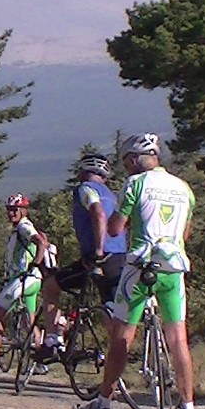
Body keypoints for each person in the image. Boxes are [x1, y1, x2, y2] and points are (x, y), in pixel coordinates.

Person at [75, 132, 200, 409]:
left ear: (133, 160)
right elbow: (185, 233)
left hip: (141, 266)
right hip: (173, 268)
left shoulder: (135, 183)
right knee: (178, 338)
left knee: (122, 335)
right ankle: (188, 408)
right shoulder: (184, 188)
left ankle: (103, 404)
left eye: (126, 162)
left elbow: (116, 229)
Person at [35, 153, 129, 362]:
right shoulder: (112, 196)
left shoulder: (85, 189)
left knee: (51, 286)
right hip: (120, 256)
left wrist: (97, 250)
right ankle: (119, 355)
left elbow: (97, 213)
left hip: (97, 257)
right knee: (110, 307)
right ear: (104, 176)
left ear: (82, 172)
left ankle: (52, 341)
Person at [0, 195, 49, 371]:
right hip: (33, 280)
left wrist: (35, 263)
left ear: (23, 211)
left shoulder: (24, 226)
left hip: (24, 279)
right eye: (9, 209)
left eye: (15, 210)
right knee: (29, 323)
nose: (11, 213)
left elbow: (41, 242)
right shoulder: (19, 228)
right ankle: (39, 363)